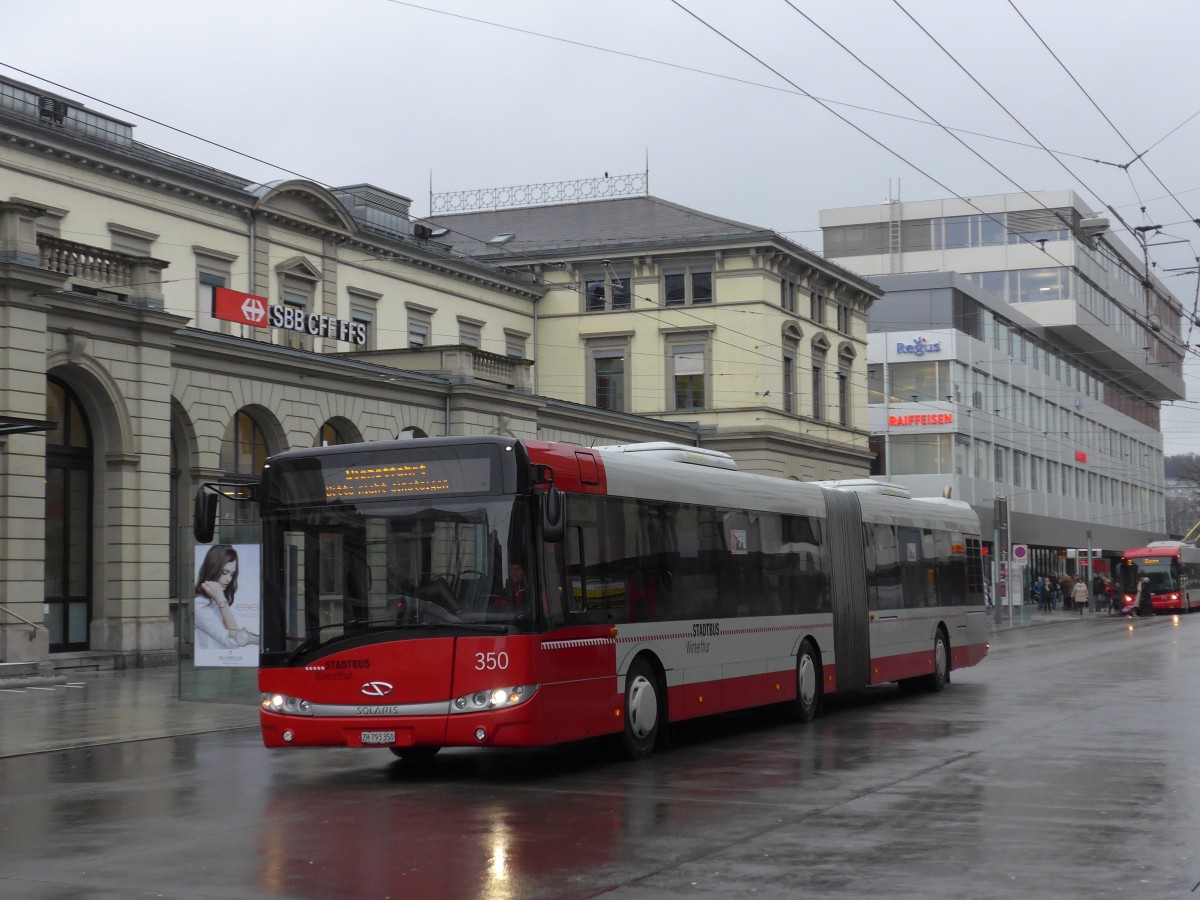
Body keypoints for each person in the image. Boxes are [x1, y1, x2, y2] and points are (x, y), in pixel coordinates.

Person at [194, 544, 258, 649]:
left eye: (232, 574)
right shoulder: (200, 606)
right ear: (212, 569)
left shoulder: (215, 601)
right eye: (224, 572)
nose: (229, 579)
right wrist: (221, 600)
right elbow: (234, 641)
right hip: (211, 661)